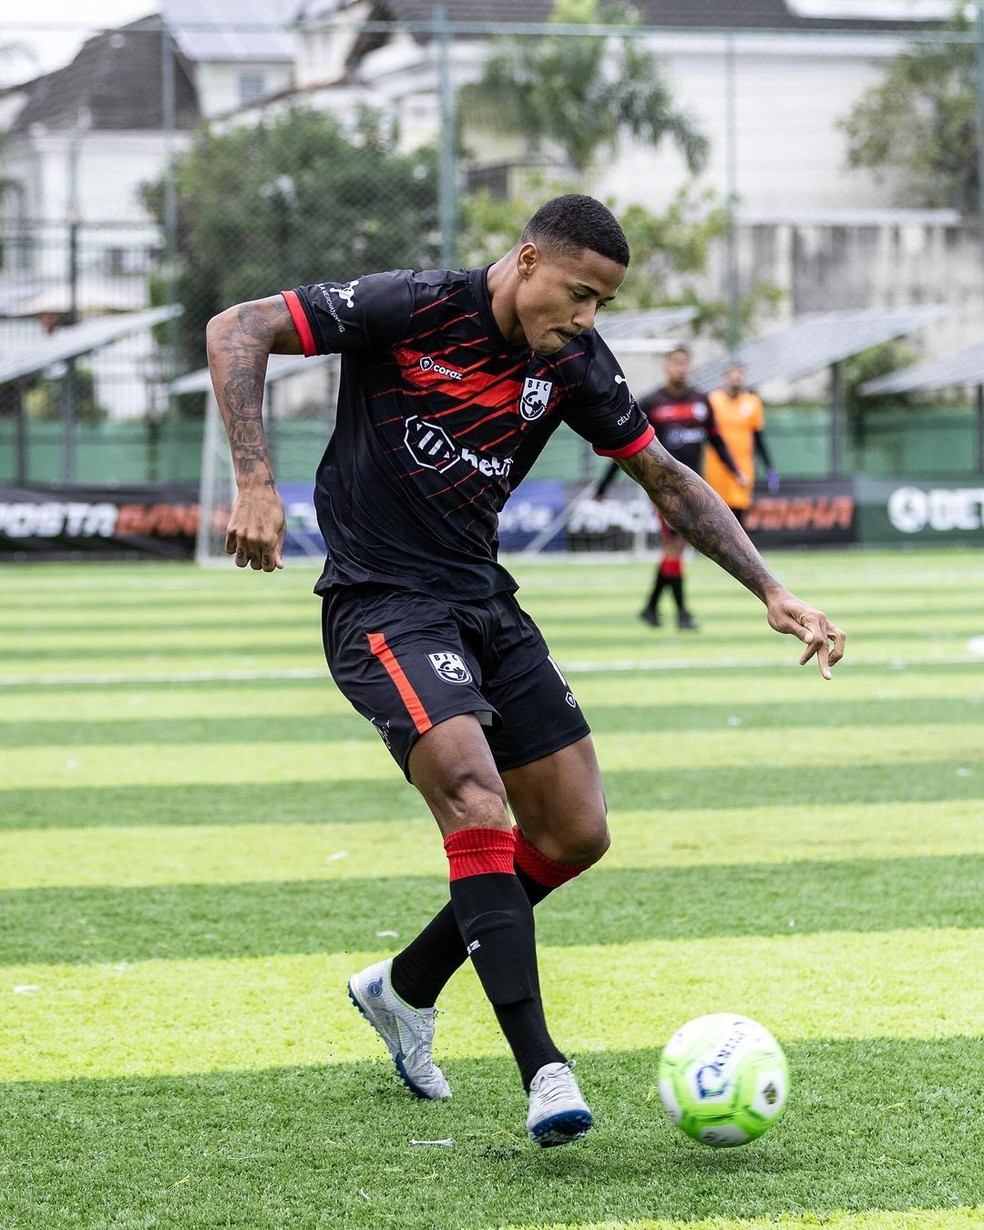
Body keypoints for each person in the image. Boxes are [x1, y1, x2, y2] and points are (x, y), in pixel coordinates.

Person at [205, 194, 845, 1150]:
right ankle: (543, 1068)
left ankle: (403, 988)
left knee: (576, 832)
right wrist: (257, 481)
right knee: (475, 796)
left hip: (482, 602)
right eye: (577, 295)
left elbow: (665, 477)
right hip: (382, 601)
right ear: (527, 259)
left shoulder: (575, 363)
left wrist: (770, 589)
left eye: (601, 306)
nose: (585, 320)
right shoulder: (412, 307)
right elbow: (237, 326)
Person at [593, 345, 745, 630]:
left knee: (674, 548)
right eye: (676, 363)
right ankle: (682, 614)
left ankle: (651, 608)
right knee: (674, 546)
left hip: (692, 487)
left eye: (685, 363)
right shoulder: (652, 403)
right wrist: (603, 487)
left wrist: (735, 471)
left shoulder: (701, 402)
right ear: (666, 366)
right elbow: (627, 448)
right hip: (662, 489)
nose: (681, 368)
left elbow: (716, 441)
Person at [706, 360, 780, 526]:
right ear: (724, 377)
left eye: (739, 375)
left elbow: (758, 436)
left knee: (738, 516)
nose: (736, 379)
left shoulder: (752, 403)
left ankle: (736, 551)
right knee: (717, 513)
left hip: (743, 466)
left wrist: (769, 465)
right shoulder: (712, 401)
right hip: (717, 467)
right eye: (732, 375)